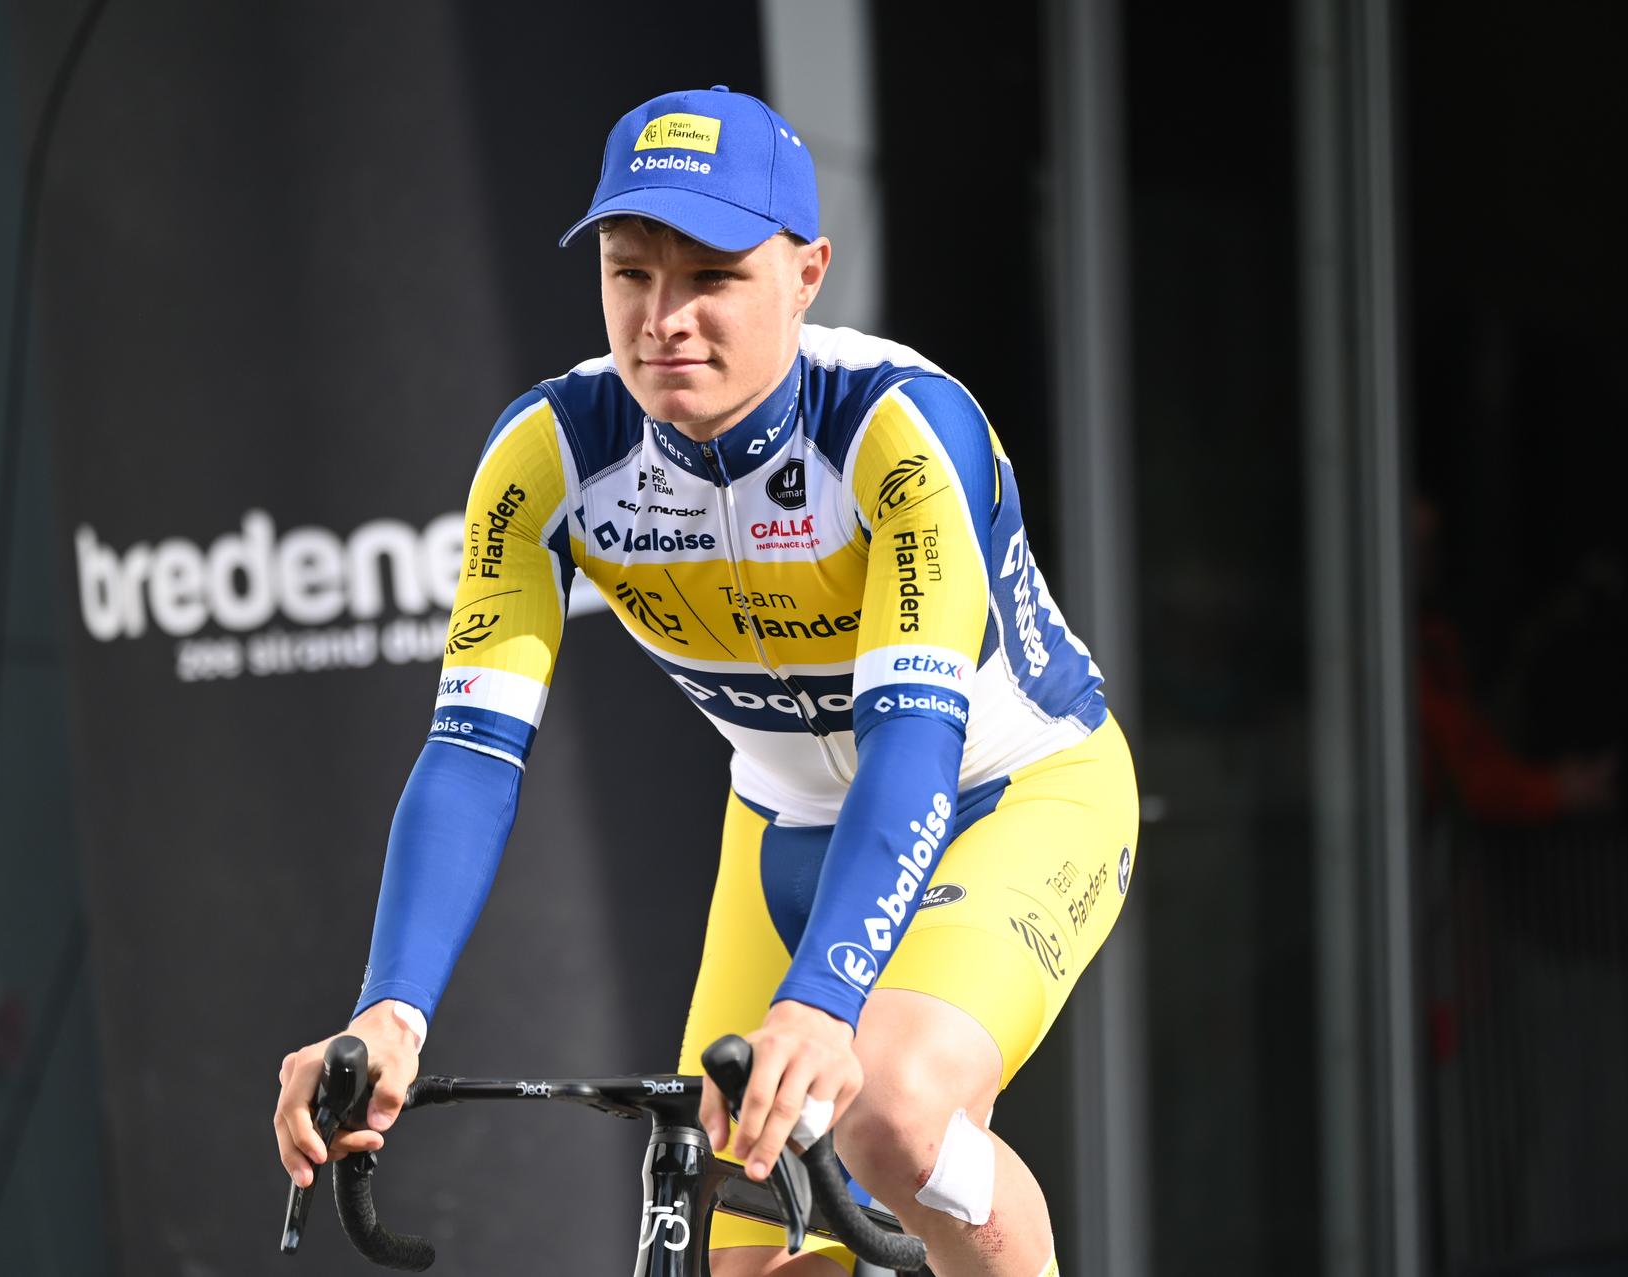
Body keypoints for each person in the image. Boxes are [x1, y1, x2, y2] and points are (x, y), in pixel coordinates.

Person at [272, 86, 1138, 1277]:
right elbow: (473, 749)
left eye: (713, 278)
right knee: (750, 1256)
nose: (663, 319)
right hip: (781, 823)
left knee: (889, 1110)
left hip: (1012, 794)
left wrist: (825, 998)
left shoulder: (899, 432)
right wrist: (389, 1011)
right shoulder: (550, 456)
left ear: (808, 272)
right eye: (631, 274)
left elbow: (912, 741)